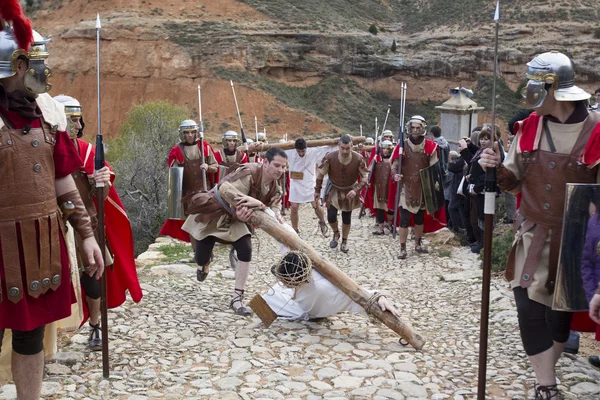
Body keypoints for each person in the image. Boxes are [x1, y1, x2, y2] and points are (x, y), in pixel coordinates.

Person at [480, 51, 600, 399]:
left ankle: (548, 374)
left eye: (534, 84)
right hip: (533, 236)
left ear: (551, 87)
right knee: (528, 309)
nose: (527, 92)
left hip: (577, 243)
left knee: (559, 319)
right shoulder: (530, 127)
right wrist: (495, 168)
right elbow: (514, 179)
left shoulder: (597, 132)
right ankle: (546, 384)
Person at [0, 4, 104, 398]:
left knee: (30, 337)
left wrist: (87, 234)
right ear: (16, 65)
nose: (40, 71)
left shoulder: (47, 116)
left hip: (41, 238)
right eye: (33, 64)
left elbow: (63, 179)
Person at [53, 95, 143, 351]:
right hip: (52, 225)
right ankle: (51, 337)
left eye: (76, 120)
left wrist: (101, 181)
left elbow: (100, 198)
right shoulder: (43, 147)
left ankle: (95, 325)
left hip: (85, 227)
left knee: (92, 279)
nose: (74, 125)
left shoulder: (88, 152)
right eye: (69, 120)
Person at [183, 147, 288, 315]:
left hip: (236, 219)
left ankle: (237, 299)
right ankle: (206, 263)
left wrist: (275, 213)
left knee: (246, 249)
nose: (280, 170)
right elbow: (228, 191)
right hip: (215, 212)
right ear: (265, 162)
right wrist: (254, 205)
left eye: (283, 167)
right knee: (201, 257)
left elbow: (275, 202)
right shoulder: (250, 171)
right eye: (277, 165)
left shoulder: (275, 186)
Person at [263, 247, 400, 321]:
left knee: (269, 299)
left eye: (286, 281)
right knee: (272, 293)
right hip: (302, 296)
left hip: (308, 310)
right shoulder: (307, 268)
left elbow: (359, 295)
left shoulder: (326, 289)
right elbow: (286, 234)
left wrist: (378, 297)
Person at [161, 120, 218, 244]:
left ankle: (207, 252)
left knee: (206, 223)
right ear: (182, 134)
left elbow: (216, 166)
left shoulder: (205, 147)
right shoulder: (177, 151)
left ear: (196, 132)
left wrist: (208, 167)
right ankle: (197, 254)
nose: (190, 135)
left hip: (206, 190)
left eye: (192, 132)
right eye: (187, 132)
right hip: (188, 194)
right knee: (192, 226)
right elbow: (174, 174)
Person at [390, 116, 439, 259]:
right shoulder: (402, 146)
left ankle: (418, 243)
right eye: (413, 128)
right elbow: (394, 164)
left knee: (419, 218)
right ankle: (402, 248)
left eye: (418, 128)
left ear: (423, 128)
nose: (416, 130)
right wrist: (395, 174)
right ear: (409, 129)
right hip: (406, 186)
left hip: (422, 188)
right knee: (404, 218)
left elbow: (434, 168)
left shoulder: (430, 146)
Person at [315, 134, 368, 253]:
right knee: (331, 216)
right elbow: (320, 174)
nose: (345, 151)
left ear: (352, 146)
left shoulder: (358, 158)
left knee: (346, 218)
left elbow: (365, 177)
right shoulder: (329, 157)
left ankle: (344, 241)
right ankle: (336, 233)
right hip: (333, 190)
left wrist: (356, 190)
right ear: (338, 146)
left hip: (350, 190)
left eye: (347, 148)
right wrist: (317, 191)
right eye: (342, 148)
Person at [284, 138, 332, 235]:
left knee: (316, 205)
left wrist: (332, 141)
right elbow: (276, 149)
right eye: (299, 151)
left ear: (306, 148)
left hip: (309, 183)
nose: (301, 153)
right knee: (294, 207)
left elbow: (328, 148)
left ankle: (322, 221)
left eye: (303, 151)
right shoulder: (290, 151)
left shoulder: (313, 151)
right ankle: (295, 229)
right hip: (295, 183)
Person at [366, 139, 394, 235]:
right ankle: (381, 228)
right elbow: (369, 171)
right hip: (378, 187)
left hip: (390, 188)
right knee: (380, 209)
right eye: (383, 149)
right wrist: (368, 178)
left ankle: (390, 226)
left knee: (391, 208)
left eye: (387, 149)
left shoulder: (394, 160)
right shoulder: (376, 159)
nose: (385, 151)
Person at [446, 150, 465, 233]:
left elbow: (447, 178)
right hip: (454, 190)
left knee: (452, 208)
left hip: (455, 190)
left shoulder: (457, 164)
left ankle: (459, 229)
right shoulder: (461, 161)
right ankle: (458, 228)